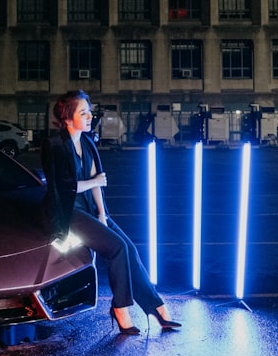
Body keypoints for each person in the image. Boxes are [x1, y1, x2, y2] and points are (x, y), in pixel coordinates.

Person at [41, 90, 181, 335]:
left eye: (89, 112)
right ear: (66, 117)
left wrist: (102, 214)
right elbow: (64, 188)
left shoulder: (87, 141)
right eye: (82, 112)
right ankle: (120, 308)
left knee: (129, 249)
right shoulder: (53, 145)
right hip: (68, 212)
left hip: (90, 208)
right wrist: (90, 183)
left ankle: (155, 305)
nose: (89, 116)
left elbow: (98, 180)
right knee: (117, 249)